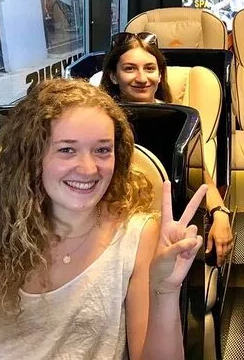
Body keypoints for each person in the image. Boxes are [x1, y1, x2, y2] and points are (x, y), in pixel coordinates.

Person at [0, 79, 206, 359]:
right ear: (32, 156)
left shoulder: (136, 234)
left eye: (102, 150)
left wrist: (165, 290)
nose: (89, 169)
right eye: (67, 149)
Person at [99, 32, 233, 266]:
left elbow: (200, 177)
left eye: (150, 69)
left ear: (160, 75)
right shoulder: (98, 119)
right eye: (130, 69)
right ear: (113, 75)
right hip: (111, 222)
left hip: (169, 222)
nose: (142, 78)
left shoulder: (179, 120)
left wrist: (220, 213)